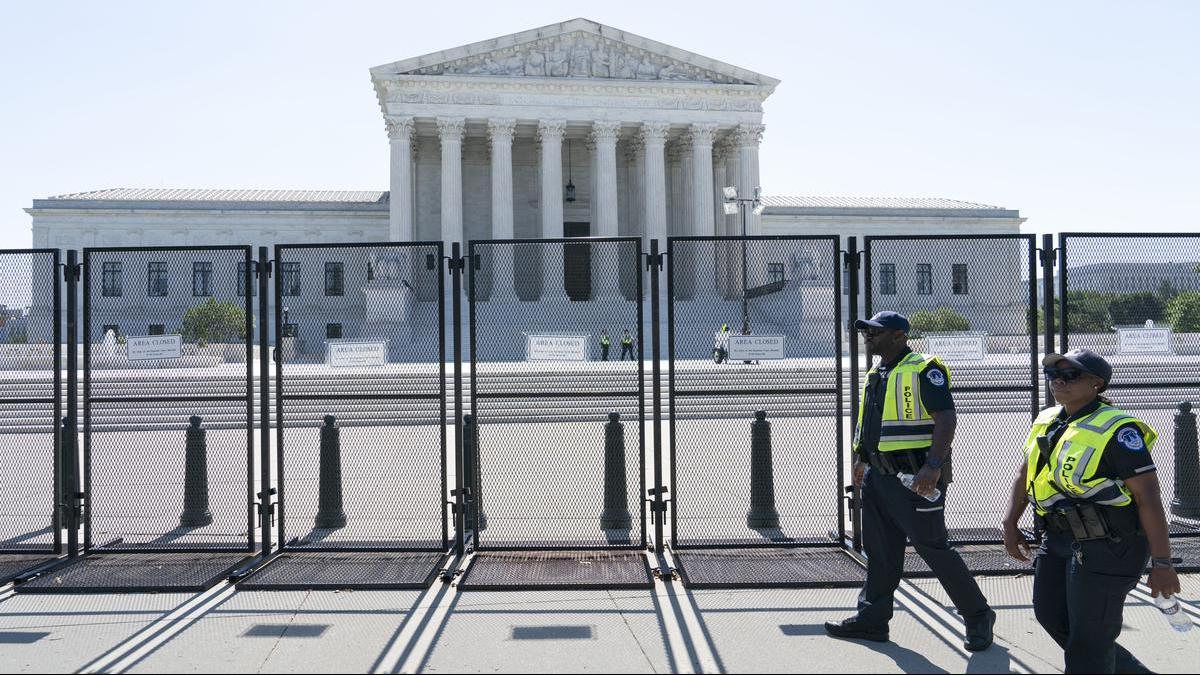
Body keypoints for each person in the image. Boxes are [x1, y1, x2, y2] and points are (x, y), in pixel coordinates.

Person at [1002, 349, 1181, 674]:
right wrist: (1010, 521)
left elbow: (1149, 499)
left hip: (1108, 546)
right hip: (1056, 539)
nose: (1059, 380)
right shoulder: (1048, 419)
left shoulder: (1118, 430)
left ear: (1096, 383)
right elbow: (1026, 472)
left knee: (1089, 643)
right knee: (1052, 615)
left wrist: (1163, 563)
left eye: (1071, 375)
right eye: (1054, 374)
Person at [826, 311, 995, 651]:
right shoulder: (878, 371)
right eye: (866, 332)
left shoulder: (923, 369)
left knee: (933, 548)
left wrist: (933, 466)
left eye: (876, 331)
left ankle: (978, 616)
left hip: (914, 479)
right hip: (878, 476)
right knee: (881, 552)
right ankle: (873, 621)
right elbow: (873, 422)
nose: (868, 336)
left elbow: (946, 418)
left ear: (900, 336)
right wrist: (862, 460)